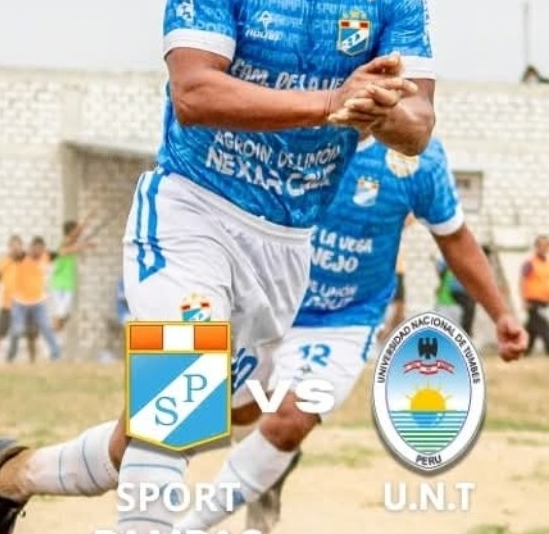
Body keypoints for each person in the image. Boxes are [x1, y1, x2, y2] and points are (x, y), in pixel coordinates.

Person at [0, 0, 437, 534]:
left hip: (287, 248)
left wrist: (379, 110)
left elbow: (418, 125)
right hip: (193, 215)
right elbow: (194, 94)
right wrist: (329, 103)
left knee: (178, 422)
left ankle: (12, 475)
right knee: (176, 409)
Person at [177, 136, 527, 534]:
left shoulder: (415, 156)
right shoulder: (288, 127)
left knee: (290, 419)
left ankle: (190, 526)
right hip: (268, 300)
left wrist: (501, 313)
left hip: (343, 318)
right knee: (224, 410)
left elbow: (454, 237)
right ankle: (254, 473)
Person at [6, 236, 61, 363]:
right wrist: (15, 247)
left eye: (40, 250)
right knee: (17, 330)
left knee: (46, 327)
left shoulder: (45, 256)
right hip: (20, 303)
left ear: (43, 250)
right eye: (35, 249)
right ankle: (11, 355)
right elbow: (14, 254)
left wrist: (79, 246)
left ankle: (56, 354)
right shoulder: (22, 257)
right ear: (30, 248)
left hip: (38, 303)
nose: (38, 252)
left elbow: (62, 252)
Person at [0, 235, 29, 365]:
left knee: (28, 333)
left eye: (18, 246)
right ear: (9, 247)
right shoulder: (3, 262)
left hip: (23, 305)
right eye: (13, 246)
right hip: (7, 305)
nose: (15, 249)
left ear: (22, 247)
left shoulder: (27, 261)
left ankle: (30, 362)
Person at [49, 215, 97, 333]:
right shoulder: (63, 244)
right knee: (60, 312)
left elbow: (75, 244)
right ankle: (55, 329)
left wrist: (85, 244)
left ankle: (58, 327)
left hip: (68, 284)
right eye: (75, 233)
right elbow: (73, 244)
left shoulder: (70, 245)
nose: (77, 235)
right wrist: (87, 220)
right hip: (59, 284)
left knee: (63, 312)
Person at [376, 214, 414, 343]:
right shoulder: (385, 229)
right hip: (391, 271)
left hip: (398, 271)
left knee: (400, 308)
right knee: (395, 307)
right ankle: (382, 336)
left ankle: (389, 336)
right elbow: (409, 219)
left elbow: (411, 219)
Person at [520, 234, 549, 354]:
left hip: (544, 301)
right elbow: (522, 281)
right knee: (543, 326)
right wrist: (523, 300)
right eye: (542, 245)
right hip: (532, 301)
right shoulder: (529, 263)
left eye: (546, 245)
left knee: (531, 327)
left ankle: (525, 349)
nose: (544, 248)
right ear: (536, 247)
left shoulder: (546, 264)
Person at [434, 255, 477, 335]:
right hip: (457, 290)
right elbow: (440, 266)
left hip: (460, 291)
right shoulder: (450, 259)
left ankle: (466, 332)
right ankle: (466, 332)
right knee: (468, 307)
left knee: (468, 307)